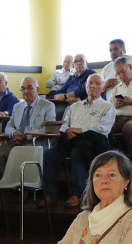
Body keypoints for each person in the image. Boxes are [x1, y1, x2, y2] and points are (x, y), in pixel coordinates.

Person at [42, 74, 115, 208]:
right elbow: (64, 124)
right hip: (70, 139)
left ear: (103, 88)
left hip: (93, 142)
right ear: (86, 86)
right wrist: (67, 131)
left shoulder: (108, 107)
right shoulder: (74, 106)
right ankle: (51, 194)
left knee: (78, 152)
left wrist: (80, 130)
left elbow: (103, 129)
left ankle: (77, 194)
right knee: (49, 154)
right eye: (90, 83)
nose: (93, 86)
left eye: (97, 84)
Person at [0, 76, 56, 169]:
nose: (25, 91)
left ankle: (26, 181)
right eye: (23, 88)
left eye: (29, 88)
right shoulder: (17, 106)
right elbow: (9, 126)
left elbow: (49, 129)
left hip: (36, 143)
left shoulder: (48, 106)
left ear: (37, 90)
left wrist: (26, 134)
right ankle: (9, 181)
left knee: (18, 154)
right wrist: (14, 133)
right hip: (16, 142)